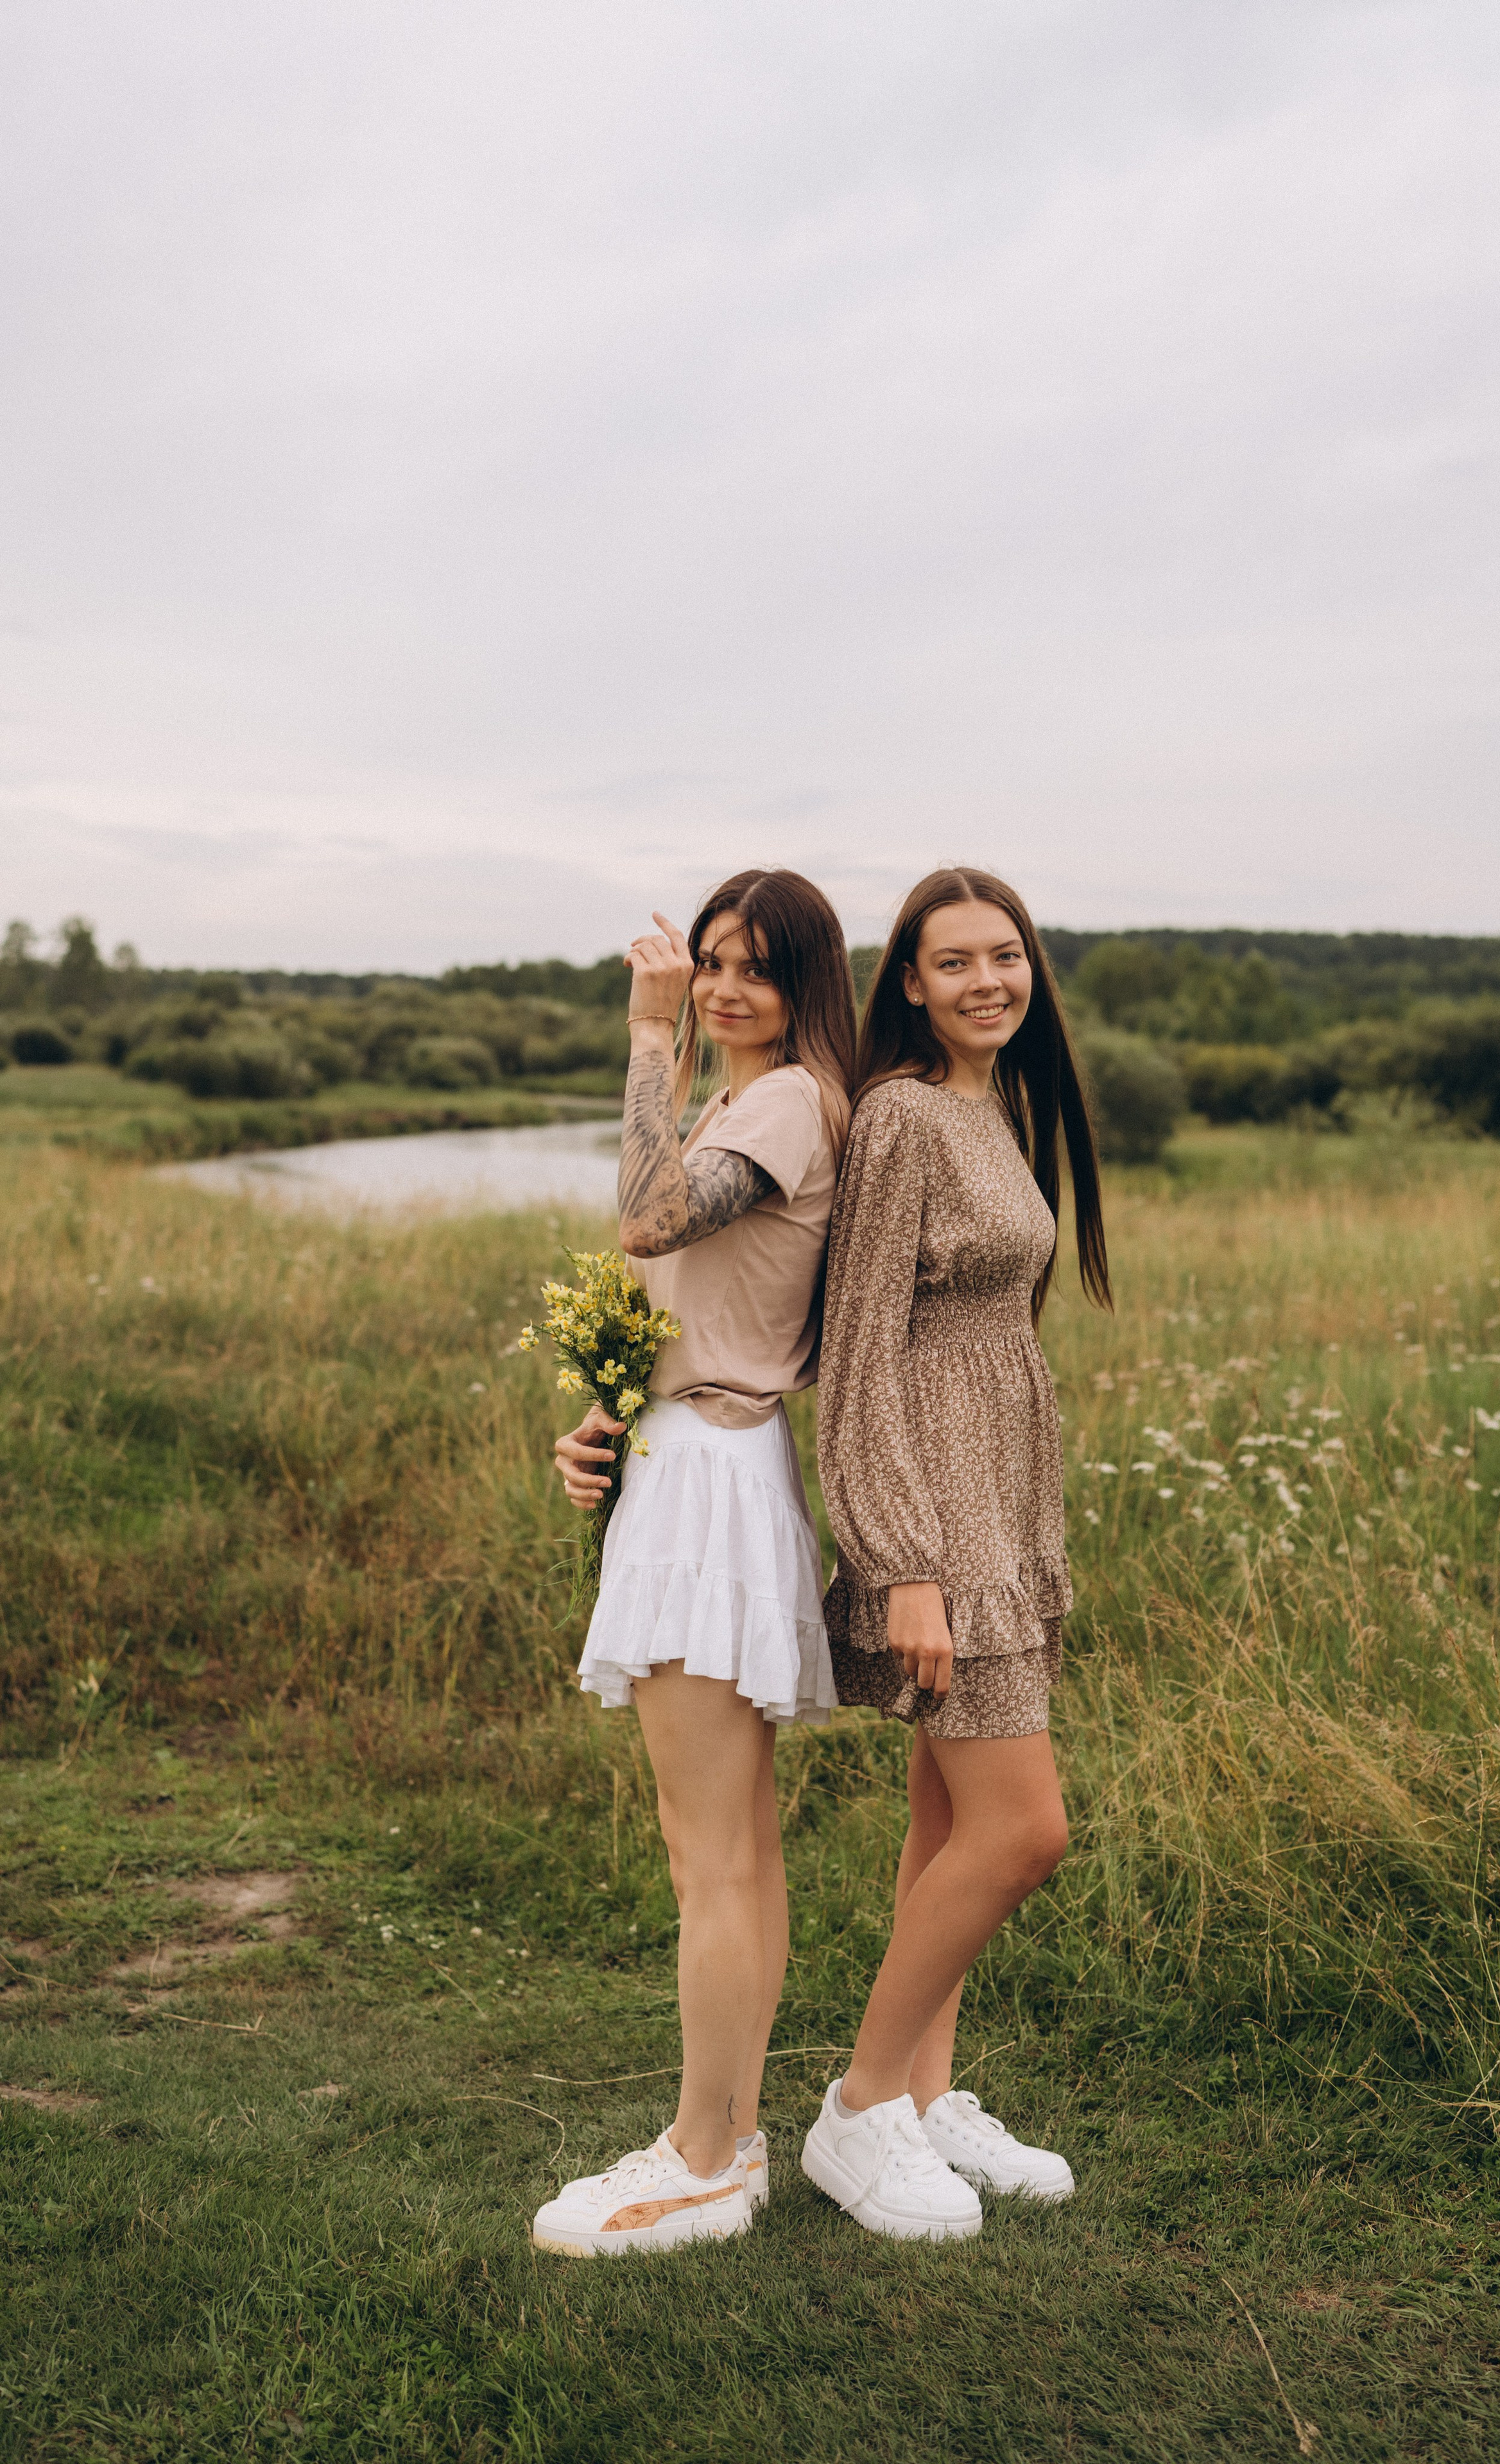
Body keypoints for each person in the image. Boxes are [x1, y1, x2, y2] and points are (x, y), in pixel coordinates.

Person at [530, 869, 856, 2259]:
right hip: (696, 1459)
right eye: (708, 962)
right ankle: (728, 2134)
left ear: (803, 988)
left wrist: (645, 1031)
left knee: (709, 1854)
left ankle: (701, 2158)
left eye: (755, 970)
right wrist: (611, 1405)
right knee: (735, 1851)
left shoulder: (783, 1097)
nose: (723, 986)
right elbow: (673, 1277)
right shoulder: (752, 1101)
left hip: (713, 1485)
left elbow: (650, 1218)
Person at [800, 865, 1110, 2241]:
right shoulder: (902, 1120)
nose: (987, 980)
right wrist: (899, 1560)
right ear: (908, 984)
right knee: (1020, 1832)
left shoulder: (989, 1108)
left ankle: (924, 2104)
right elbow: (858, 1358)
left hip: (1003, 1496)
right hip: (938, 1513)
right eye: (954, 962)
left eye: (1005, 956)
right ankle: (861, 2109)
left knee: (944, 1825)